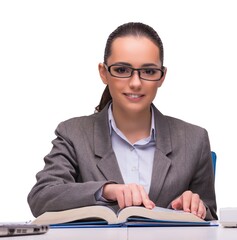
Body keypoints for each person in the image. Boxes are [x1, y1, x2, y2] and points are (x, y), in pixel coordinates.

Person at [27, 22, 217, 220]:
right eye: (122, 70)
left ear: (162, 76)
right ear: (104, 72)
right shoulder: (73, 133)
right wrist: (106, 191)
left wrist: (197, 206)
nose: (135, 83)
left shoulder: (195, 139)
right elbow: (42, 197)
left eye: (149, 72)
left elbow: (212, 218)